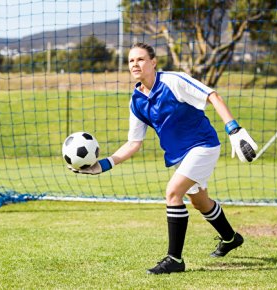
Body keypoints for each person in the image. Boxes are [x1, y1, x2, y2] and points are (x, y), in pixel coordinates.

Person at [69, 42, 258, 275]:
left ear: (153, 62)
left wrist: (234, 129)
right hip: (179, 156)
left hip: (203, 145)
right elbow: (133, 143)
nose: (135, 64)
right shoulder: (136, 101)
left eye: (140, 59)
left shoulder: (173, 80)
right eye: (130, 60)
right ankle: (231, 238)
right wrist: (103, 165)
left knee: (173, 193)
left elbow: (212, 95)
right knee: (200, 202)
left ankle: (174, 259)